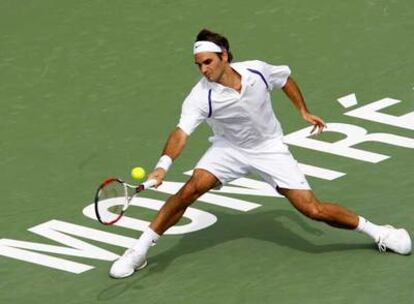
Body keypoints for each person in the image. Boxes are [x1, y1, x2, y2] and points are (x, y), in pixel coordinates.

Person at [109, 29, 412, 279]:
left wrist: (303, 111)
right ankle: (138, 252)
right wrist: (163, 166)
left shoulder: (257, 70)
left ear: (224, 56)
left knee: (312, 210)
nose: (203, 69)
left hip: (269, 149)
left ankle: (379, 233)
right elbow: (181, 133)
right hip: (228, 150)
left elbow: (285, 80)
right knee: (189, 190)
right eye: (198, 64)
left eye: (208, 62)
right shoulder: (201, 96)